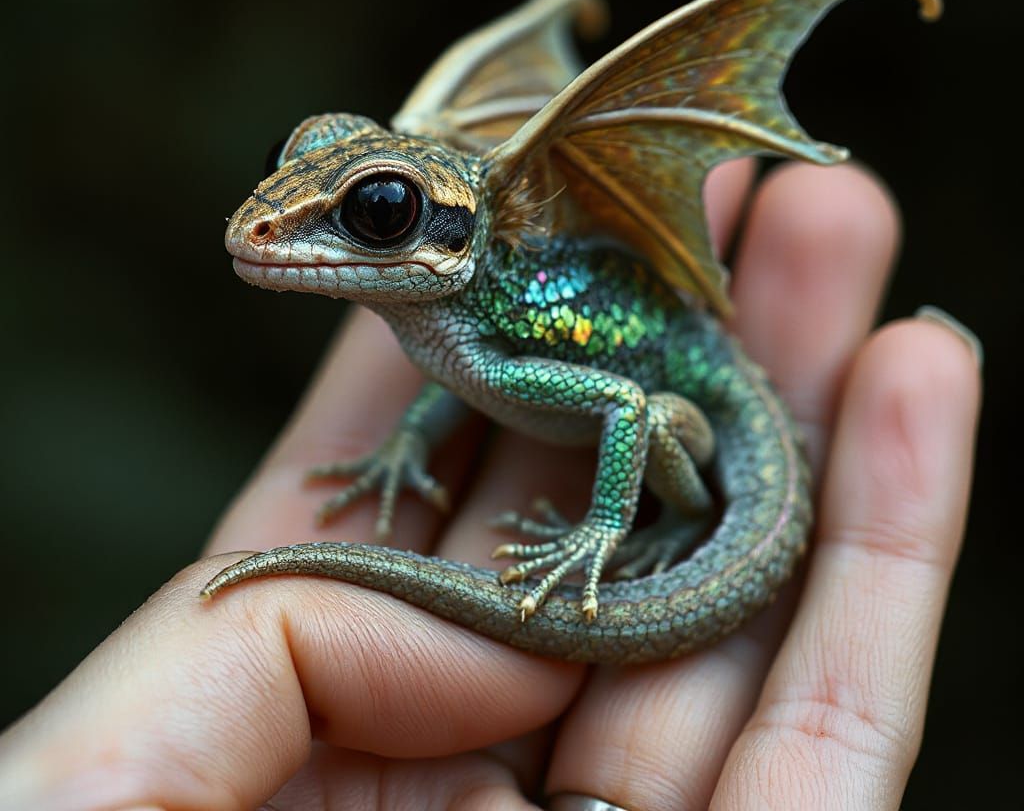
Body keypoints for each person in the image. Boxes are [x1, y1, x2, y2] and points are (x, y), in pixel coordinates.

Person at [0, 162, 982, 810]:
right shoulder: (453, 334)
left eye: (377, 215)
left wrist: (608, 527)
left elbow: (625, 406)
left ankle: (674, 519)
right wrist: (404, 444)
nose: (266, 227)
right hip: (632, 373)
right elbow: (460, 384)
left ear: (451, 239)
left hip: (703, 414)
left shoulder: (487, 342)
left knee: (649, 417)